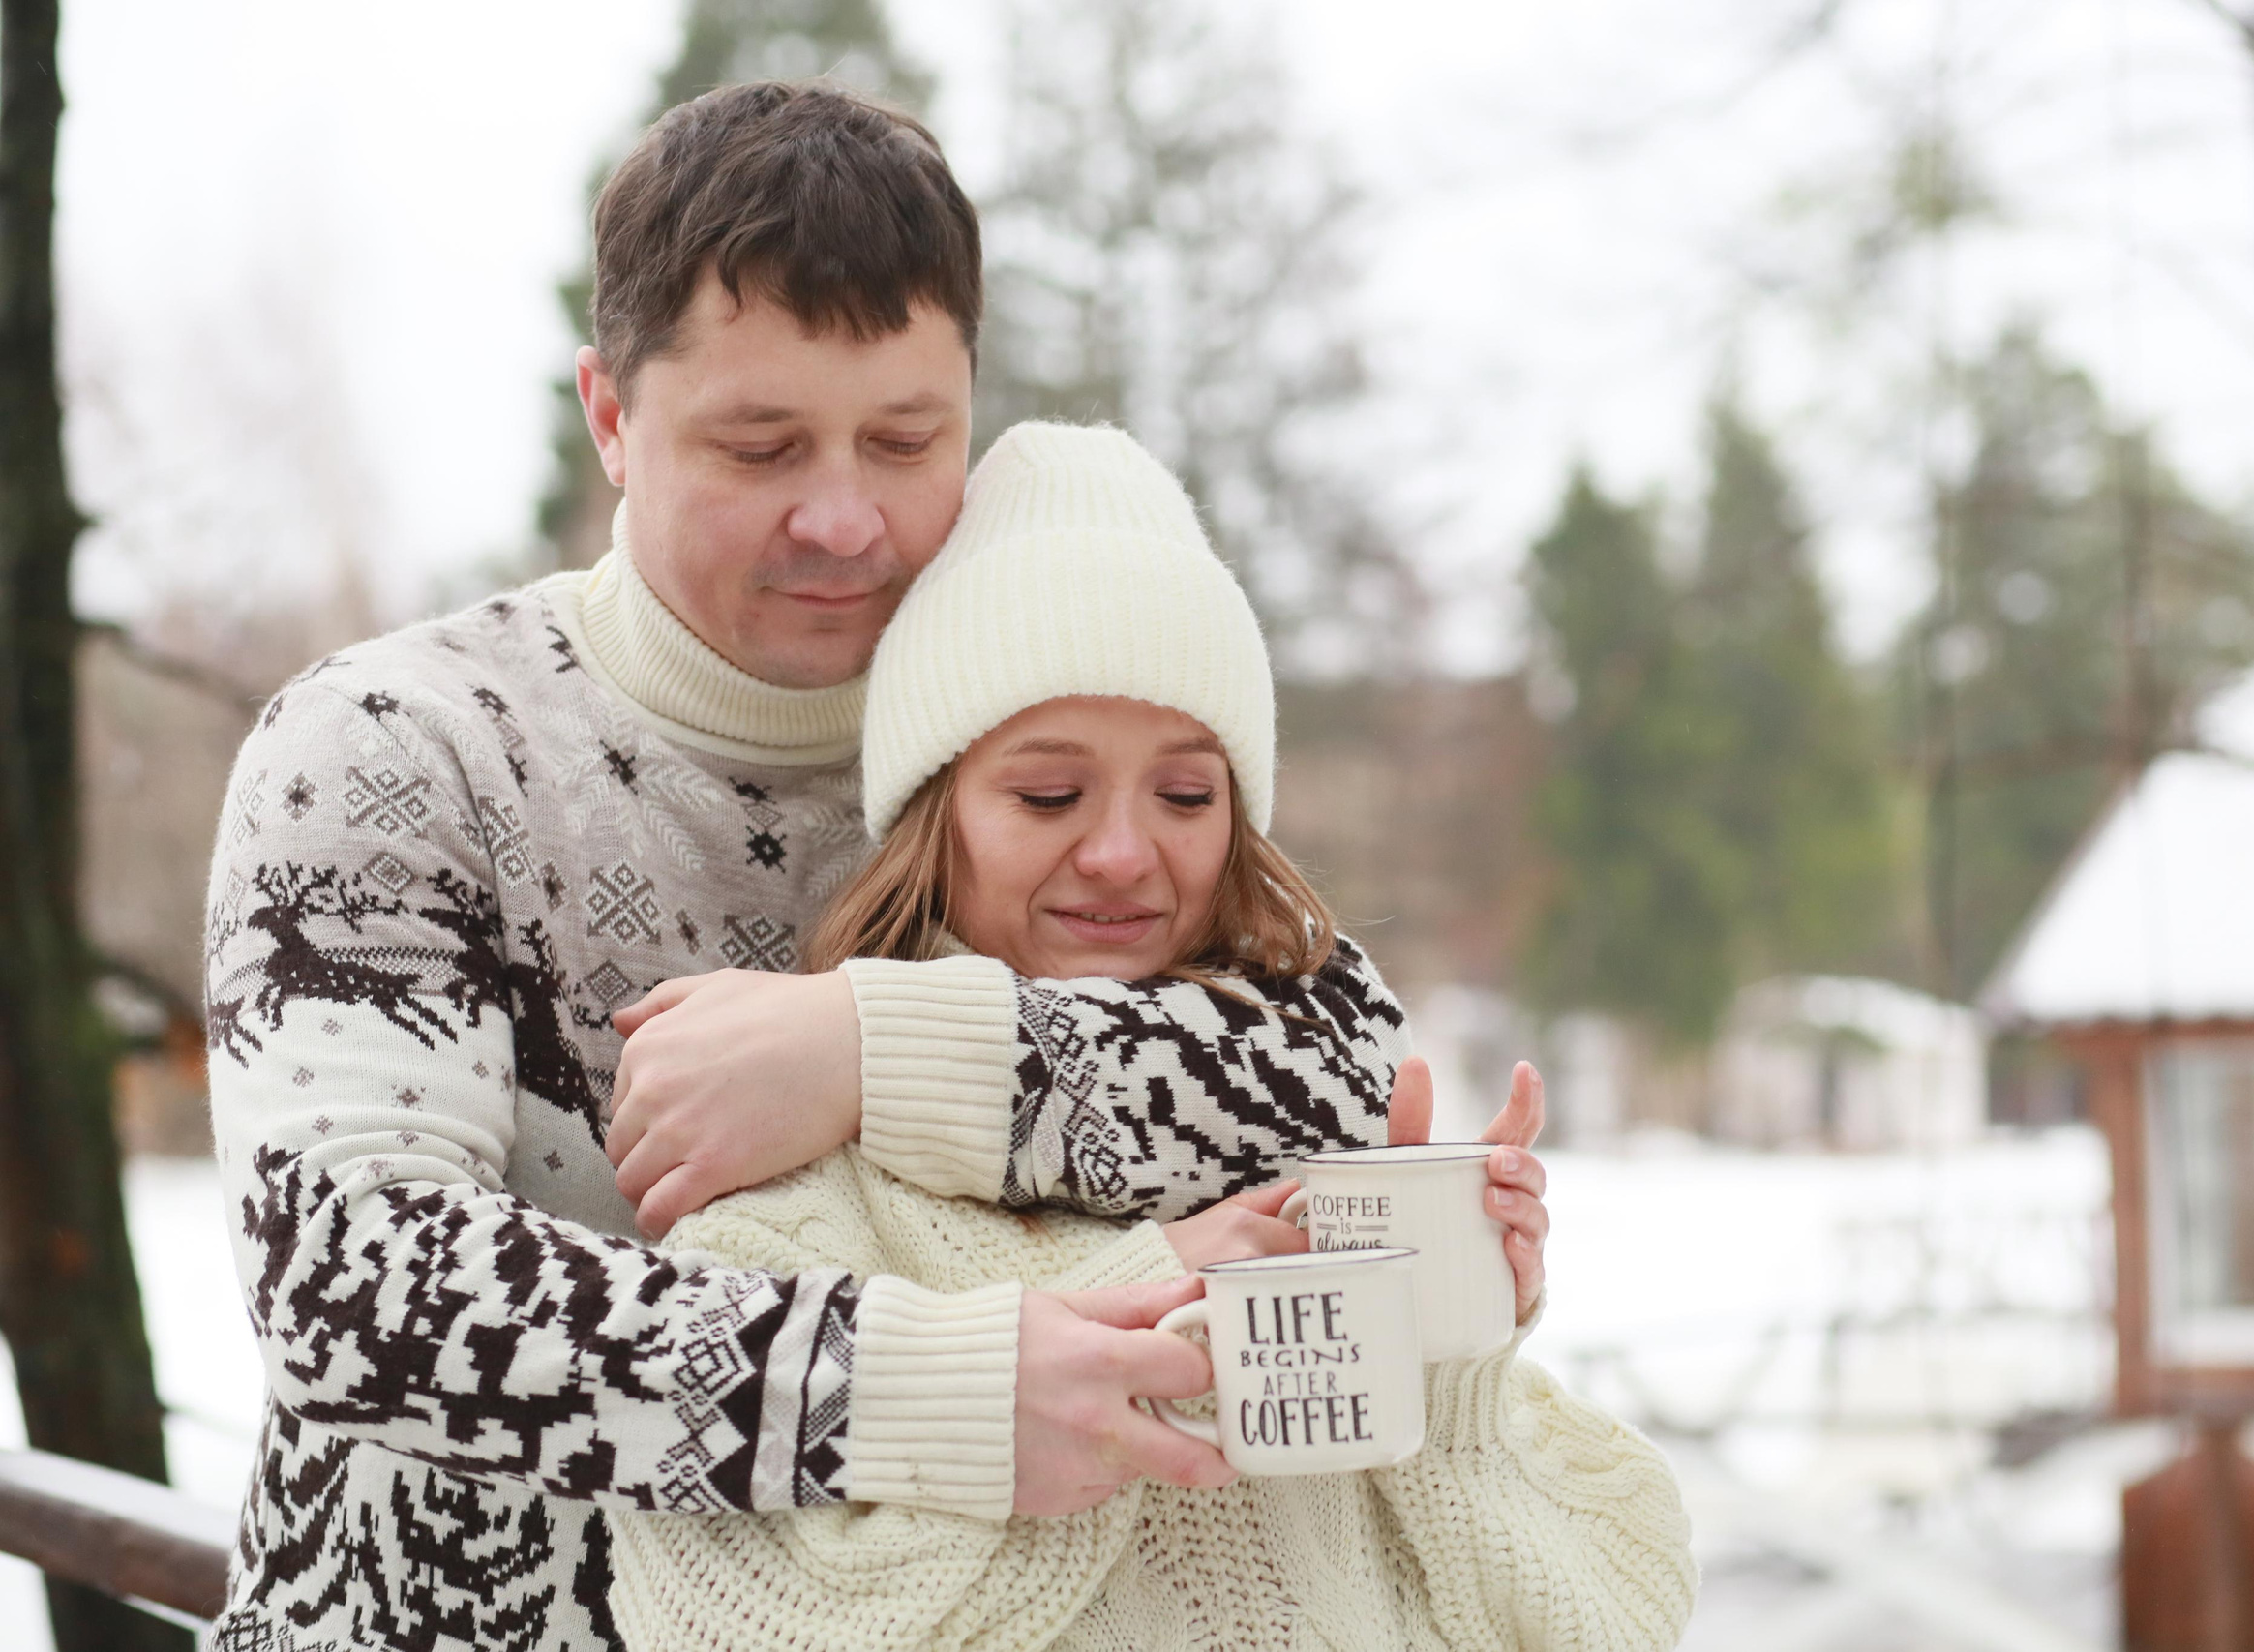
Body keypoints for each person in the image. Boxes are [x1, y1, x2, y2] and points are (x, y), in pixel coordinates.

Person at [199, 81, 1475, 1651]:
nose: (843, 516)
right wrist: (933, 1388)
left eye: (903, 438)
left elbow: (1340, 1062)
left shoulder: (1034, 735)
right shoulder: (395, 747)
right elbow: (357, 1287)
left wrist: (877, 1050)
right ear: (609, 413)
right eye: (760, 443)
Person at [601, 420, 1696, 1650]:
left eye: (1185, 794)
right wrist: (1140, 1317)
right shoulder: (788, 1180)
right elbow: (727, 1626)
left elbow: (1608, 1615)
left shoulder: (1293, 1145)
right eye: (1048, 794)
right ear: (930, 816)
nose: (1125, 853)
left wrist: (1446, 1356)